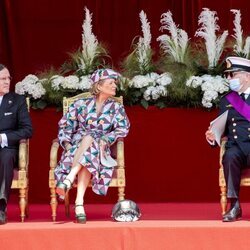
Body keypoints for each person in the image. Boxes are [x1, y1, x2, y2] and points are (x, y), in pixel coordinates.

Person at [54, 68, 130, 223]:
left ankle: (69, 178)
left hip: (101, 150)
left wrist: (107, 139)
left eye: (115, 83)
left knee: (92, 140)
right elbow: (65, 126)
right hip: (75, 150)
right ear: (99, 86)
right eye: (111, 83)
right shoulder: (80, 104)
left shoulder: (116, 108)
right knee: (89, 140)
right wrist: (67, 145)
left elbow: (123, 128)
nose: (115, 86)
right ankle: (79, 203)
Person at [205, 56, 250, 222]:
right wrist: (212, 137)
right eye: (228, 75)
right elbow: (220, 128)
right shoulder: (227, 100)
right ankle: (234, 205)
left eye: (234, 75)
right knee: (229, 156)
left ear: (247, 76)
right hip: (236, 147)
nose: (229, 79)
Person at [0, 64, 32, 224]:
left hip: (8, 148)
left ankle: (0, 207)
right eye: (3, 79)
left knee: (5, 157)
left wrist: (3, 137)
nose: (7, 82)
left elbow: (27, 130)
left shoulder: (17, 101)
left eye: (8, 78)